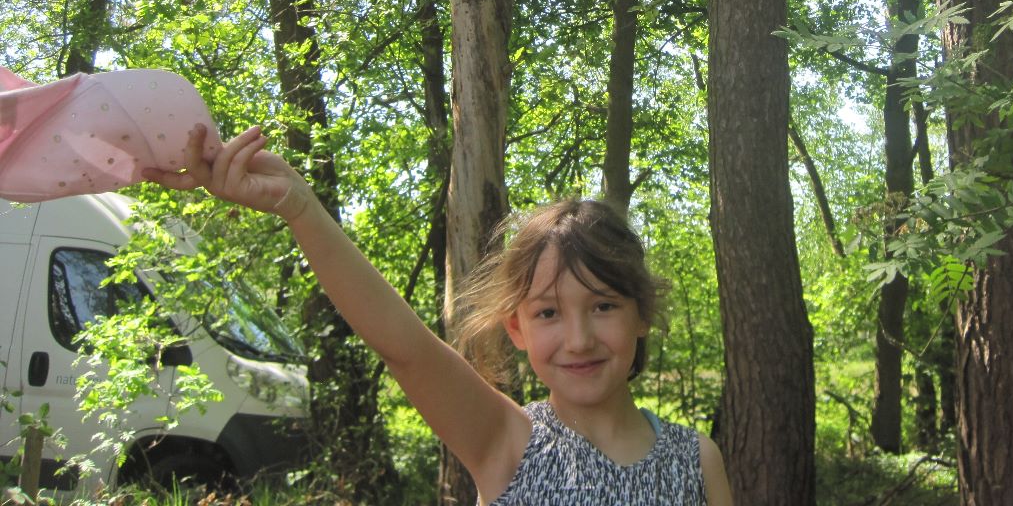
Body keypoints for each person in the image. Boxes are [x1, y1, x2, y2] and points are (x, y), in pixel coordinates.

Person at [145, 125, 733, 506]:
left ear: (641, 316)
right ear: (517, 329)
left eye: (603, 305)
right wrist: (300, 207)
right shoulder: (504, 439)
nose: (578, 338)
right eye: (549, 312)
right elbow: (404, 344)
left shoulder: (696, 461)